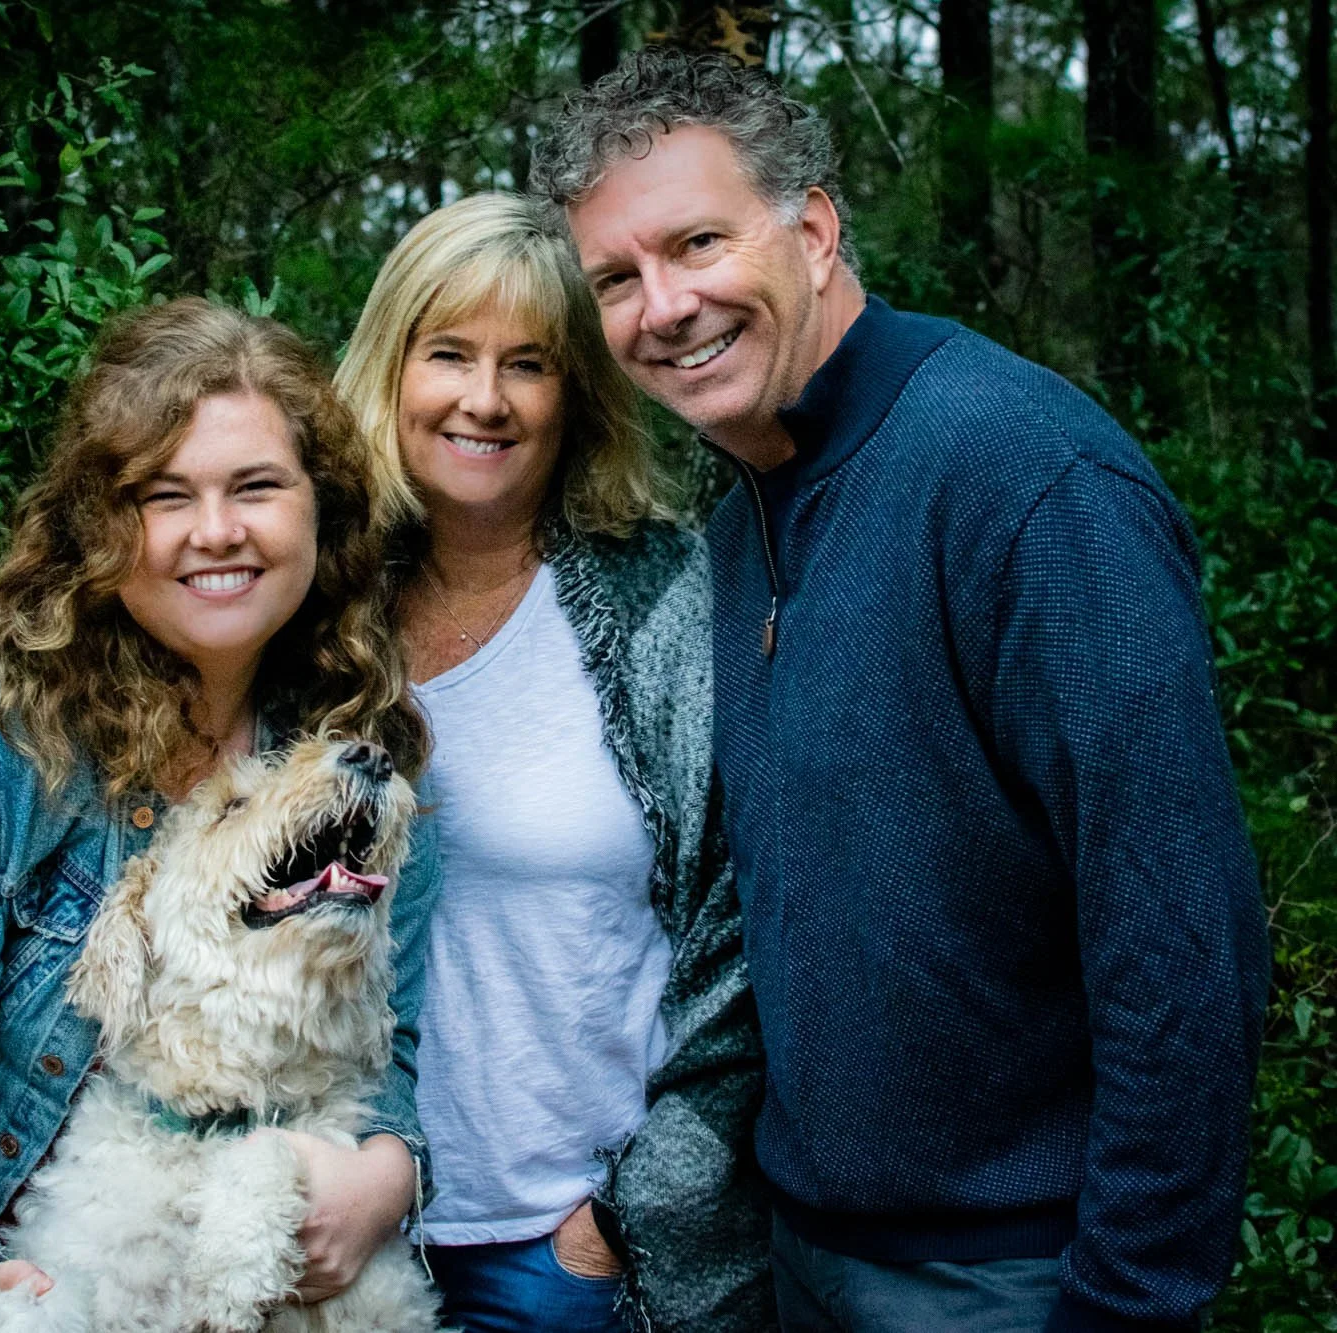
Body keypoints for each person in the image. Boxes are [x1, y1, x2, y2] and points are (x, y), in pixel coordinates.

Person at [538, 49, 1271, 1332]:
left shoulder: (1023, 479)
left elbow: (1180, 947)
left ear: (811, 229)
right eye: (616, 277)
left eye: (697, 241)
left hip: (1017, 1273)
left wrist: (1126, 1304)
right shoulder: (737, 528)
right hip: (800, 1255)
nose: (663, 305)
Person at [0, 297, 439, 1333]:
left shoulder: (366, 751)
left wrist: (384, 1173)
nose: (216, 530)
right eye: (163, 494)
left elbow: (386, 1037)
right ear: (100, 523)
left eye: (257, 487)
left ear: (318, 511)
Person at [333, 191, 773, 1332]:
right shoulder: (312, 606)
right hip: (343, 1234)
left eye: (525, 363)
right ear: (390, 365)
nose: (482, 399)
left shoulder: (666, 602)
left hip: (568, 1249)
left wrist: (616, 1222)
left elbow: (745, 932)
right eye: (447, 354)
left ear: (573, 393)